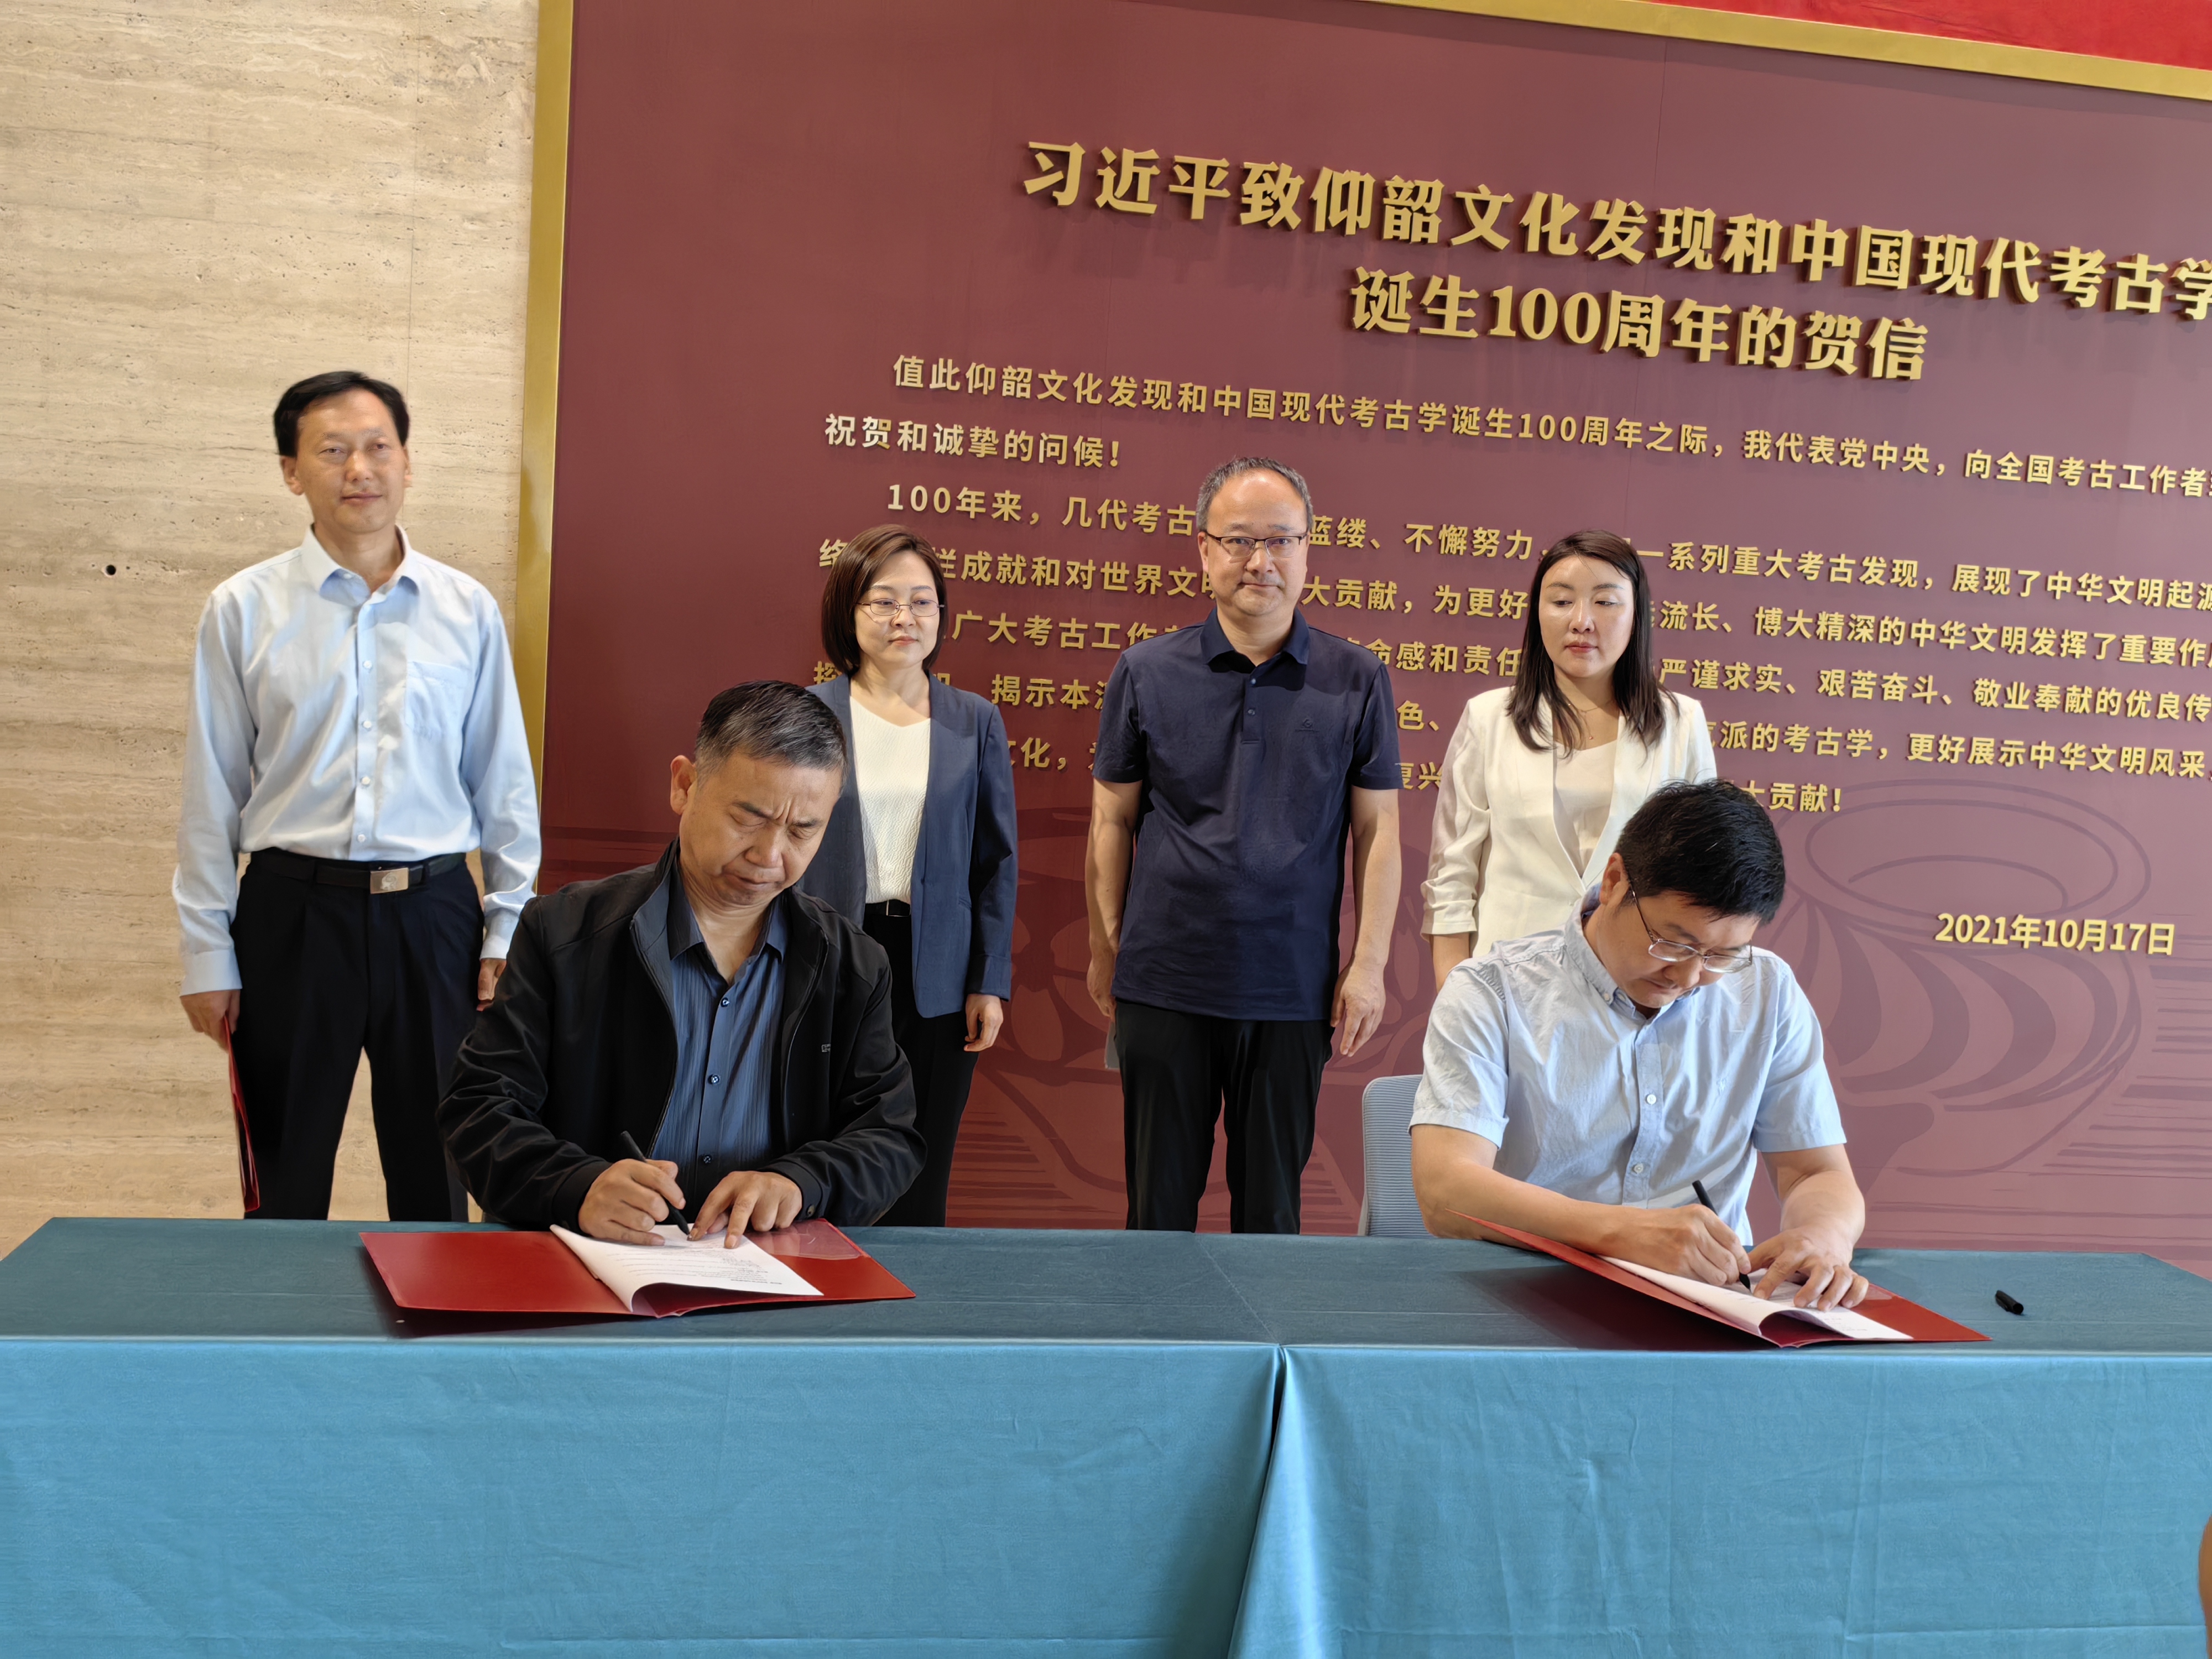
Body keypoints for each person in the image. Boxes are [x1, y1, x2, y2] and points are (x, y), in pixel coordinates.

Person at [173, 371, 540, 1221]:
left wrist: (508, 928)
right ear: (291, 471)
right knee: (286, 1174)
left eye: (378, 447)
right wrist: (206, 952)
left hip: (436, 919)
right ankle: (282, 1309)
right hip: (292, 916)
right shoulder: (242, 609)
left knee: (441, 1173)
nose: (359, 469)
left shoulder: (466, 610)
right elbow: (210, 793)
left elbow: (505, 785)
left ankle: (432, 1311)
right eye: (332, 450)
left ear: (407, 463)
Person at [439, 681, 922, 1241]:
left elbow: (889, 1137)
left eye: (801, 830)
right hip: (589, 1254)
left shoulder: (853, 966)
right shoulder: (563, 934)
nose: (769, 855)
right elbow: (479, 1109)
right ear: (685, 786)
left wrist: (803, 1182)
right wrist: (576, 1186)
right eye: (749, 818)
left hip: (761, 1265)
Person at [1086, 456, 1401, 1235]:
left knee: (1271, 1219)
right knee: (1157, 1215)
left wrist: (1367, 968)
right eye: (1239, 540)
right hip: (1165, 983)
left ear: (1307, 550)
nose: (1261, 561)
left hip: (1290, 989)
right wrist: (1106, 946)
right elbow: (1111, 821)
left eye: (1281, 541)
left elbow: (1378, 832)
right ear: (1204, 549)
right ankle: (1159, 1323)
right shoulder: (1145, 671)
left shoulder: (1357, 678)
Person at [1410, 780, 1869, 1310]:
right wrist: (1619, 1232)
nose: (1689, 977)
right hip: (1531, 1294)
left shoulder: (1767, 991)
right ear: (1614, 882)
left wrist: (1822, 1238)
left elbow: (1816, 1171)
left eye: (1721, 956)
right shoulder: (1492, 992)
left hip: (1713, 1306)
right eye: (1673, 943)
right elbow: (1445, 1190)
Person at [801, 526, 1018, 1225]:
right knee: (825, 1143)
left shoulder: (974, 721)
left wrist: (989, 979)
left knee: (922, 1157)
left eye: (922, 602)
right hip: (830, 959)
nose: (905, 618)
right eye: (884, 601)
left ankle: (913, 1290)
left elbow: (996, 862)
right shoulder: (808, 714)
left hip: (939, 972)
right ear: (849, 612)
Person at [1423, 529, 1713, 989]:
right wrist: (1454, 991)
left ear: (1637, 615)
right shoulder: (1488, 718)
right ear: (1538, 613)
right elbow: (1452, 875)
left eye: (1605, 602)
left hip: (1630, 981)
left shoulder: (1682, 723)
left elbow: (1700, 873)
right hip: (1505, 979)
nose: (1581, 621)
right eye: (1561, 602)